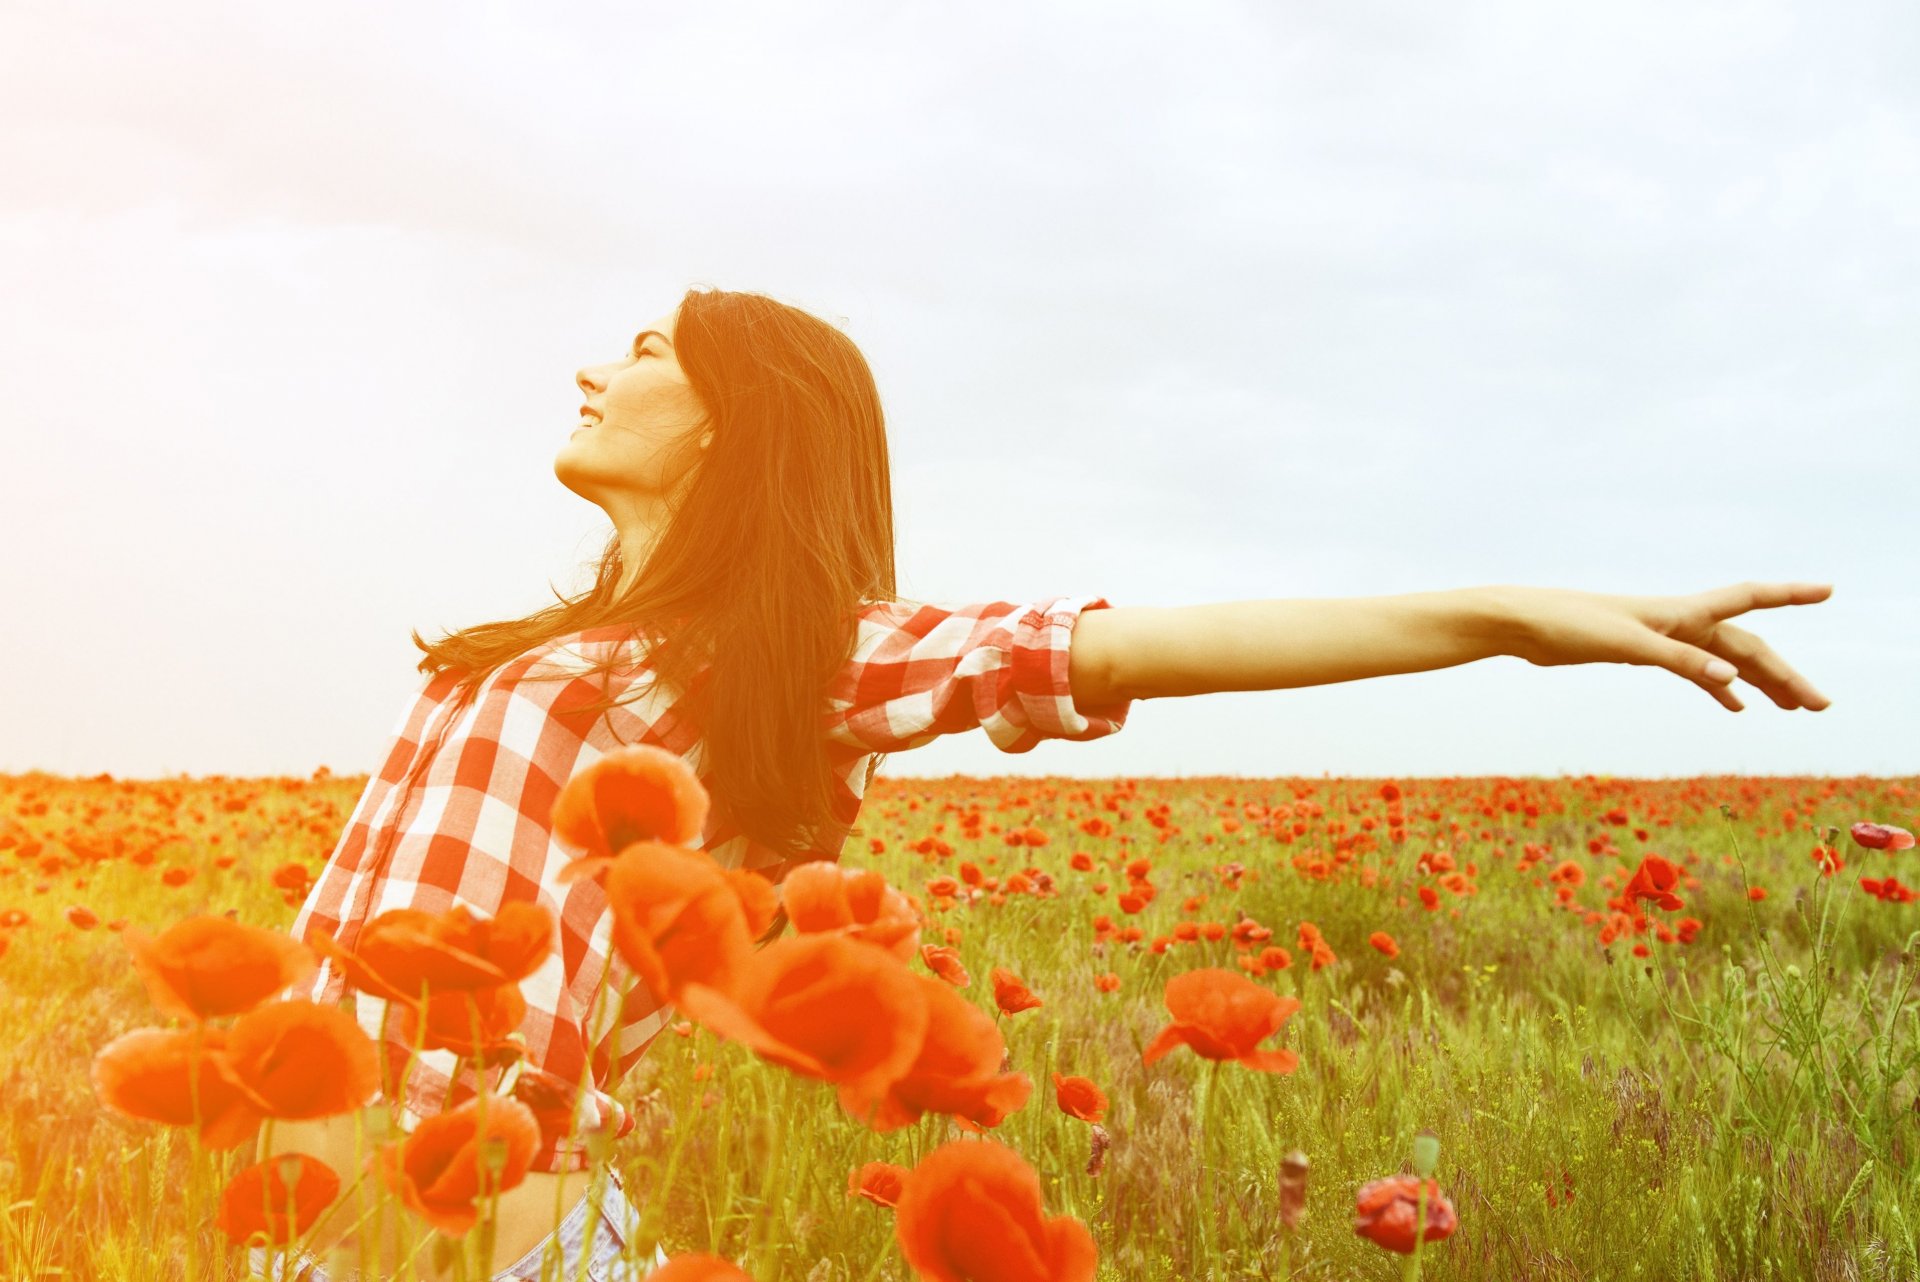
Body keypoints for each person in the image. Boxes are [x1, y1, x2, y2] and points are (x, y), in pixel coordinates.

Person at [255, 287, 1832, 1280]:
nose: (596, 365)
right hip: (310, 1224)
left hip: (501, 1241)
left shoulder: (798, 657)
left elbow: (1136, 643)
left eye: (651, 348)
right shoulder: (554, 642)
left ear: (744, 425)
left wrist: (1506, 622)